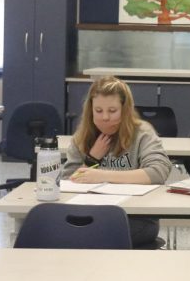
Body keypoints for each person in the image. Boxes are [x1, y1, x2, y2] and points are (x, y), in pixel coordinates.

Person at [60, 76, 172, 247]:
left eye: (112, 111)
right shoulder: (82, 136)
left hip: (135, 218)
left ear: (125, 109)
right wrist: (92, 159)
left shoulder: (142, 133)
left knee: (90, 235)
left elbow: (158, 172)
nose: (105, 117)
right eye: (98, 111)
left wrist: (102, 176)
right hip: (90, 214)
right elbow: (67, 182)